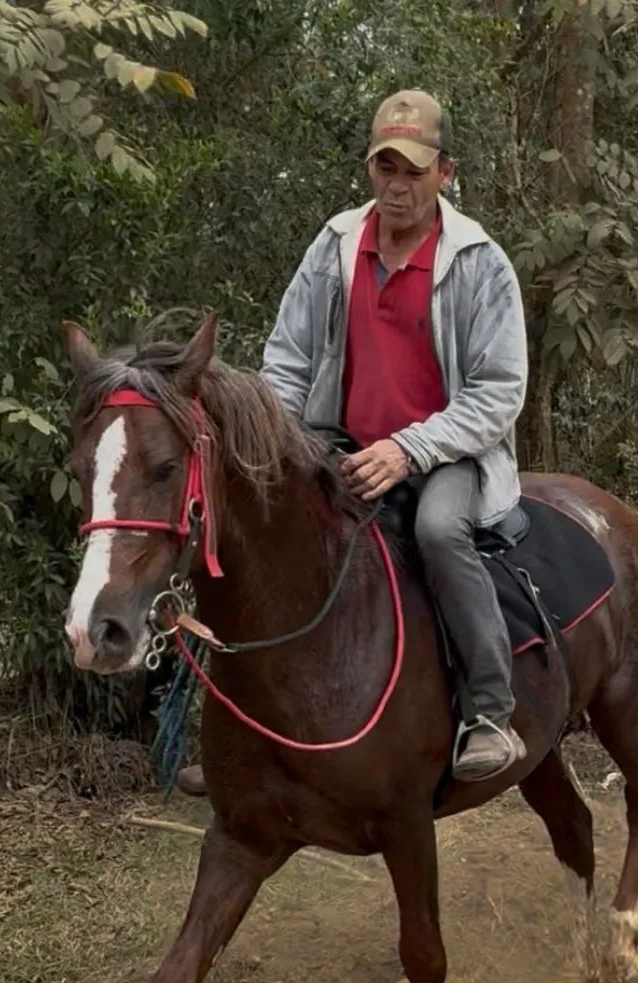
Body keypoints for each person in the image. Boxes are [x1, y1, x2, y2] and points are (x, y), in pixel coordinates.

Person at [185, 89, 529, 788]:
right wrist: (281, 444)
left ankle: (490, 710)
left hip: (446, 453)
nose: (397, 187)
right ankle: (237, 735)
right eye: (385, 170)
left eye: (413, 171)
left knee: (437, 532)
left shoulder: (479, 262)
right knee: (256, 528)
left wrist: (409, 450)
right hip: (336, 444)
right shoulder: (336, 244)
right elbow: (286, 359)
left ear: (445, 172)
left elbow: (499, 391)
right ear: (369, 170)